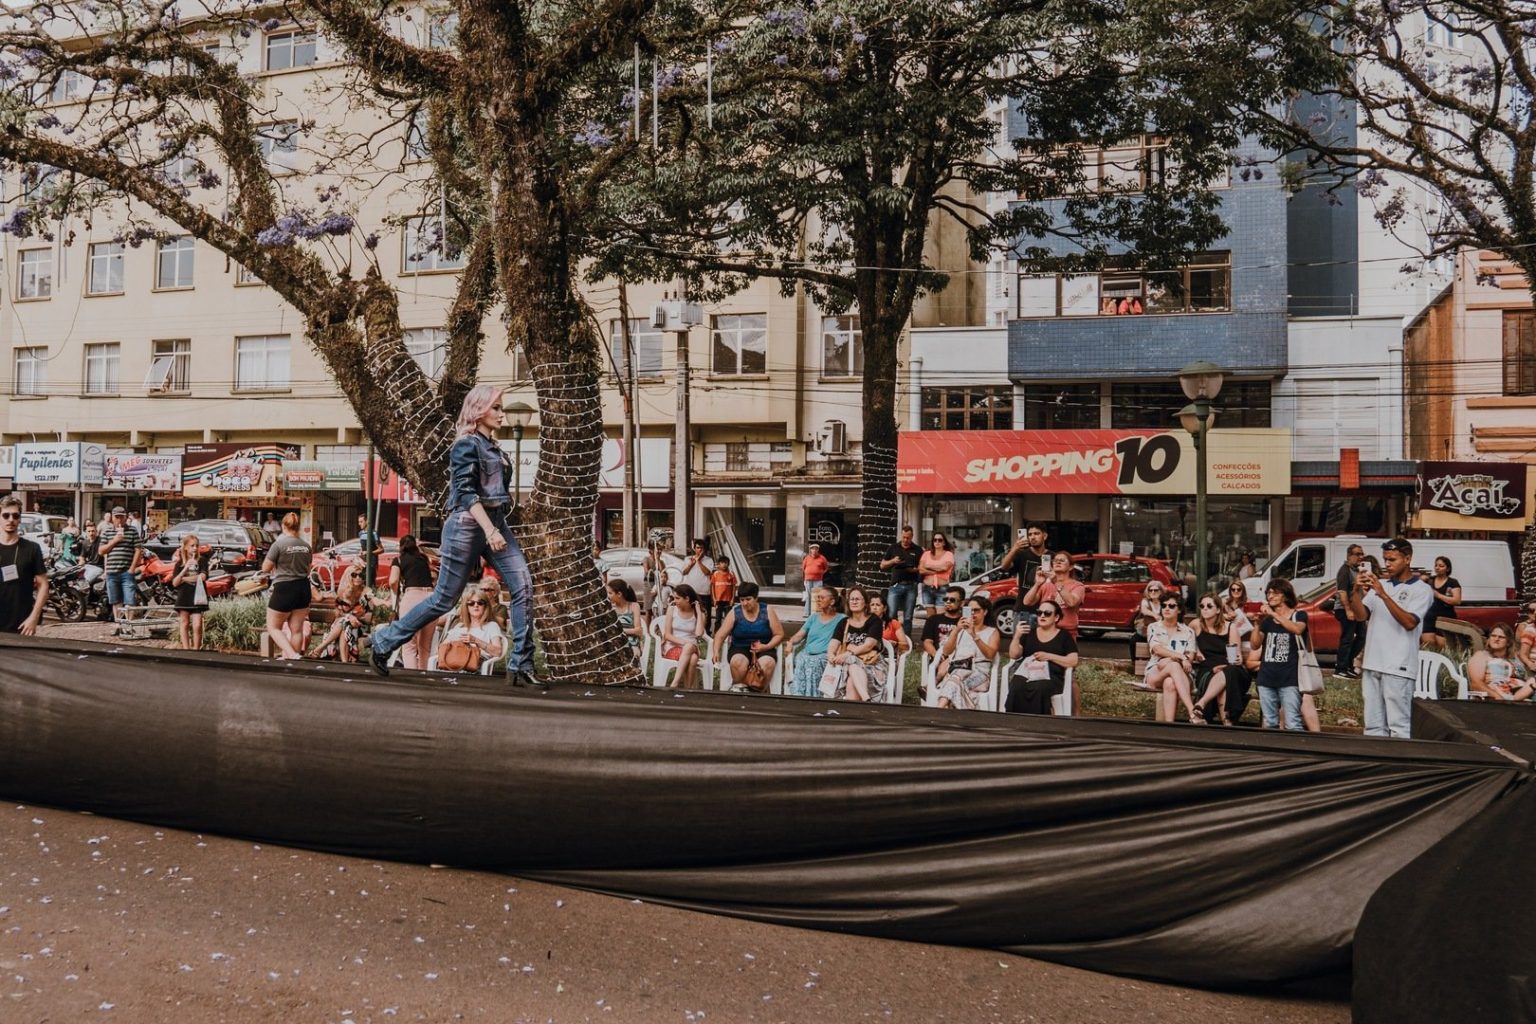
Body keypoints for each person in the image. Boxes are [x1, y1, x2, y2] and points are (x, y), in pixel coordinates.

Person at [369, 384, 539, 688]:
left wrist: (497, 526)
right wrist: (489, 530)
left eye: (501, 408)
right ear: (478, 410)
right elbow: (465, 493)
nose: (501, 414)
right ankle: (384, 642)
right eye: (496, 408)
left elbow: (498, 494)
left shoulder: (495, 448)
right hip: (467, 525)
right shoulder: (465, 445)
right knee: (444, 599)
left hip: (495, 522)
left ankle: (521, 664)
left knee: (523, 585)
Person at [1345, 537, 1436, 739]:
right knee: (1373, 726)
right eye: (1385, 559)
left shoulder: (1422, 589)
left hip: (1398, 666)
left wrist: (1384, 595)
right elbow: (1360, 616)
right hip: (1373, 662)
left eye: (1392, 559)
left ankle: (1401, 758)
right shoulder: (1382, 584)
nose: (1387, 564)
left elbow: (1410, 622)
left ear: (1407, 559)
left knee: (1399, 726)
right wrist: (1356, 590)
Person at [1005, 598, 1078, 715]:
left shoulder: (1064, 636)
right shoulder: (1029, 633)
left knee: (1039, 687)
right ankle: (1014, 719)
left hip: (1051, 676)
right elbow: (1014, 655)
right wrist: (1017, 636)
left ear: (1056, 617)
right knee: (1016, 685)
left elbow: (1073, 661)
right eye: (1039, 613)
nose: (1042, 616)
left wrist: (1049, 656)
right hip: (1027, 672)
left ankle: (1038, 721)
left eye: (1047, 613)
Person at [1253, 579, 1309, 731]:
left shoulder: (1299, 615)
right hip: (1266, 677)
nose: (1270, 596)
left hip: (1290, 678)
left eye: (1274, 593)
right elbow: (1255, 645)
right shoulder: (1267, 621)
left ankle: (1297, 747)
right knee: (1269, 722)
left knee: (1293, 723)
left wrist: (1272, 613)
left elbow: (1297, 629)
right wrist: (1257, 625)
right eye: (1268, 593)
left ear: (1285, 595)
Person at [711, 581, 784, 692]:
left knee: (767, 663)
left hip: (764, 647)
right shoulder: (735, 612)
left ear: (756, 598)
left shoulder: (767, 610)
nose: (745, 603)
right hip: (740, 647)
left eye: (748, 599)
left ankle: (758, 692)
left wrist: (766, 646)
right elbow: (720, 635)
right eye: (742, 600)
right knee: (738, 662)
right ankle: (740, 689)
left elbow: (779, 634)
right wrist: (716, 651)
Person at [1191, 591, 1248, 726]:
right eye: (1202, 606)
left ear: (1218, 610)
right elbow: (1186, 640)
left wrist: (1235, 661)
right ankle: (1227, 723)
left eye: (1209, 606)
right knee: (1225, 684)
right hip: (1208, 669)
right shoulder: (1196, 624)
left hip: (1230, 668)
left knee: (1229, 673)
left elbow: (1236, 656)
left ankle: (1201, 703)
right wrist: (1197, 651)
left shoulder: (1230, 627)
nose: (1204, 609)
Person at [262, 512, 313, 660]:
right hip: (303, 588)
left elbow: (265, 568)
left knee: (273, 627)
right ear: (298, 527)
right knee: (296, 630)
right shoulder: (306, 546)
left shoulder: (278, 545)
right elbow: (308, 570)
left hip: (284, 588)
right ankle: (292, 660)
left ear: (284, 526)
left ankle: (291, 654)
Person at [935, 594, 1000, 710]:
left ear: (985, 612)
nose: (973, 613)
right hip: (958, 670)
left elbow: (990, 655)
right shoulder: (960, 631)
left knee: (954, 681)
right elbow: (946, 651)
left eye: (976, 610)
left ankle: (938, 710)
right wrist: (956, 630)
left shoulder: (992, 632)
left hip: (979, 674)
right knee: (956, 678)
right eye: (970, 610)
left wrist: (974, 635)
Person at [827, 587, 890, 703]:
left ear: (865, 603)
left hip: (872, 665)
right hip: (849, 666)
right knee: (852, 667)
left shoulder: (874, 620)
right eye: (852, 599)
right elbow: (833, 643)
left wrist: (848, 654)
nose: (854, 602)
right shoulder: (844, 622)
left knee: (852, 666)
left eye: (857, 599)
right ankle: (866, 700)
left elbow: (869, 645)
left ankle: (858, 706)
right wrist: (831, 654)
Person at [1145, 593, 1201, 723]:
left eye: (1171, 606)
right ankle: (1192, 711)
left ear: (1179, 610)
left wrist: (1170, 659)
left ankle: (1169, 725)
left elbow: (1190, 657)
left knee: (1170, 682)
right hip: (1156, 673)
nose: (1166, 608)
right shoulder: (1153, 627)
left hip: (1182, 674)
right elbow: (1157, 649)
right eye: (1163, 605)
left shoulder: (1188, 632)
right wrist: (1180, 656)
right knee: (1173, 665)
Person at [386, 534, 436, 670]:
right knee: (425, 646)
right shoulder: (424, 559)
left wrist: (396, 592)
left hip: (412, 597)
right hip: (430, 598)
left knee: (409, 645)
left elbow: (393, 581)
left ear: (401, 547)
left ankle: (413, 676)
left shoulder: (398, 560)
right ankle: (424, 674)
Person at [0, 495, 47, 635]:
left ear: (20, 519)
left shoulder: (32, 548)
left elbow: (43, 585)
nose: (11, 520)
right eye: (6, 515)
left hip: (22, 625)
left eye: (15, 516)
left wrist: (34, 617)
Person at [786, 586, 844, 697]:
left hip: (825, 655)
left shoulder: (841, 619)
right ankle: (799, 697)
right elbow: (800, 634)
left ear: (832, 601)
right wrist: (791, 642)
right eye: (817, 597)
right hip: (807, 653)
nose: (818, 600)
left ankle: (815, 697)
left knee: (814, 663)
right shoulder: (813, 617)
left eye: (822, 598)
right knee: (801, 659)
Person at [435, 584, 504, 670]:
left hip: (477, 667)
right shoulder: (459, 626)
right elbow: (440, 649)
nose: (476, 605)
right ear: (466, 607)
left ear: (485, 606)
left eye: (480, 603)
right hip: (454, 662)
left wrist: (475, 641)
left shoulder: (492, 626)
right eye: (471, 603)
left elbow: (497, 652)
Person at [1021, 551, 1086, 636]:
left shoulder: (1077, 585)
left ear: (1070, 567)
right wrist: (1037, 583)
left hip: (1066, 632)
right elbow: (1027, 602)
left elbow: (1072, 602)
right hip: (1045, 630)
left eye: (1062, 560)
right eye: (1055, 560)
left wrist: (1056, 582)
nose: (1058, 562)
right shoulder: (1046, 585)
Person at [1000, 523, 1050, 633]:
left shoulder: (1052, 556)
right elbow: (1004, 566)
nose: (1032, 537)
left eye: (1036, 533)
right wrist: (1014, 549)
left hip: (1047, 611)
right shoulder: (1021, 555)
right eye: (1030, 534)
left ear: (1045, 536)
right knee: (1020, 642)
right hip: (1024, 611)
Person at [100, 505, 142, 628]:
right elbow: (101, 551)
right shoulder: (107, 532)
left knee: (129, 600)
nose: (119, 520)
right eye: (117, 517)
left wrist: (132, 568)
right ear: (112, 518)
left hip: (126, 571)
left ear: (125, 518)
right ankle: (118, 625)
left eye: (121, 517)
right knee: (115, 600)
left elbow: (138, 549)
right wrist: (115, 540)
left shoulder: (132, 531)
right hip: (112, 572)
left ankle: (128, 626)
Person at [1468, 624, 1533, 701]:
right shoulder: (1482, 656)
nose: (1496, 639)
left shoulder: (1515, 659)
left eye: (1501, 637)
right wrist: (1498, 698)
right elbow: (1476, 684)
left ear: (1508, 642)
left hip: (1524, 695)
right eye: (1493, 636)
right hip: (1501, 697)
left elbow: (1526, 679)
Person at [660, 582, 707, 688]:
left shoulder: (698, 614)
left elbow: (699, 634)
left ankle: (675, 684)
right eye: (674, 598)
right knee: (693, 658)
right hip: (672, 647)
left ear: (687, 599)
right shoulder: (672, 610)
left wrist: (699, 612)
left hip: (692, 647)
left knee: (690, 648)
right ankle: (687, 689)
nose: (674, 601)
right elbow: (667, 635)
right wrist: (686, 643)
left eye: (677, 598)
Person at [879, 525, 922, 637]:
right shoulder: (893, 548)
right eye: (904, 537)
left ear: (912, 537)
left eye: (908, 538)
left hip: (911, 585)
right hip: (896, 585)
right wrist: (893, 561)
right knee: (891, 613)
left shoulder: (917, 550)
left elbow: (922, 567)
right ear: (901, 536)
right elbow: (882, 565)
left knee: (908, 616)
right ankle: (893, 637)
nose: (905, 540)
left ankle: (906, 640)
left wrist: (914, 569)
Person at [170, 533, 210, 651]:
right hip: (184, 595)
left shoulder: (202, 561)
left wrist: (184, 579)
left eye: (197, 545)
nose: (195, 548)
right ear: (186, 547)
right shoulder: (179, 563)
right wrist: (185, 568)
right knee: (185, 622)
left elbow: (202, 577)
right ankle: (186, 649)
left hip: (197, 595)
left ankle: (196, 649)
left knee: (197, 625)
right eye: (192, 546)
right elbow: (175, 583)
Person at [1332, 543, 1366, 679]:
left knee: (1362, 636)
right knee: (1347, 639)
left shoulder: (1357, 571)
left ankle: (1348, 665)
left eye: (1362, 554)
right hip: (1345, 609)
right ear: (1349, 555)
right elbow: (1342, 592)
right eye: (1357, 554)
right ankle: (1340, 669)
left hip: (1357, 609)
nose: (1360, 557)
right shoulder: (1344, 571)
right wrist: (1348, 610)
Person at [1422, 556, 1462, 651]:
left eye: (1441, 566)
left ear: (1447, 568)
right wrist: (1421, 579)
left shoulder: (1452, 582)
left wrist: (1439, 595)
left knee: (1442, 647)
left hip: (1445, 618)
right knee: (1428, 645)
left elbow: (1457, 600)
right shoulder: (1430, 580)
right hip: (1429, 617)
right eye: (1436, 565)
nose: (1437, 568)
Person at [921, 584, 966, 665]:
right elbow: (927, 642)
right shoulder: (933, 619)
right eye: (945, 599)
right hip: (939, 659)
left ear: (962, 603)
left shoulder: (965, 621)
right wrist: (937, 656)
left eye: (952, 600)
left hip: (959, 660)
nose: (948, 602)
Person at [918, 532, 956, 620]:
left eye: (940, 540)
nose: (937, 542)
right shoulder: (926, 554)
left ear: (944, 542)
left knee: (941, 617)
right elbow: (921, 570)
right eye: (935, 540)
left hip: (942, 588)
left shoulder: (948, 554)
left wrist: (928, 566)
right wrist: (936, 571)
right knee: (930, 618)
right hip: (927, 588)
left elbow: (944, 568)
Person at [606, 579, 646, 661]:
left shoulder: (634, 606)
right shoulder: (611, 609)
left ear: (619, 594)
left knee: (631, 653)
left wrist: (619, 631)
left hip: (632, 643)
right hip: (616, 643)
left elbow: (638, 630)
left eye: (610, 593)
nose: (608, 596)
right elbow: (609, 631)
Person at [709, 555, 738, 633]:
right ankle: (716, 634)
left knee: (728, 619)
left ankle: (729, 634)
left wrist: (732, 599)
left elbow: (734, 587)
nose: (724, 564)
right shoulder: (715, 574)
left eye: (726, 563)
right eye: (722, 563)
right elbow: (712, 587)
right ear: (718, 564)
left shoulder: (731, 574)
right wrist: (714, 599)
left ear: (728, 564)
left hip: (728, 600)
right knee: (718, 619)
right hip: (718, 600)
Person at [356, 513, 384, 587]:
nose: (359, 524)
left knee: (370, 583)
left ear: (367, 521)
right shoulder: (360, 533)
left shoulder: (374, 533)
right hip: (363, 562)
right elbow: (362, 547)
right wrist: (360, 553)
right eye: (359, 522)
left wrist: (369, 552)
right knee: (362, 582)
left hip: (372, 562)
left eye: (361, 522)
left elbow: (381, 549)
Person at [801, 542, 829, 616]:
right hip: (808, 580)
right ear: (810, 550)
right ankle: (807, 613)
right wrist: (806, 576)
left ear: (818, 550)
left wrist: (820, 573)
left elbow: (826, 568)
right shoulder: (807, 558)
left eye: (816, 549)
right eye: (812, 549)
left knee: (817, 596)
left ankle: (815, 612)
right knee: (808, 596)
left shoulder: (822, 558)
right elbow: (803, 568)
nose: (814, 550)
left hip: (818, 580)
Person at [1518, 603, 1536, 677]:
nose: (1535, 612)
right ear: (1528, 614)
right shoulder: (1529, 630)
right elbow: (1522, 654)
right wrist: (1530, 664)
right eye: (1532, 611)